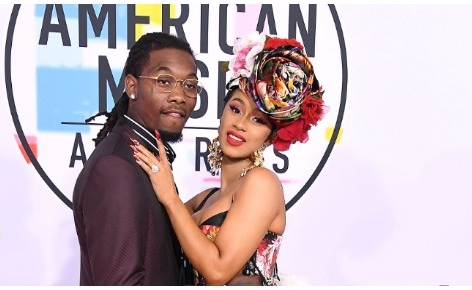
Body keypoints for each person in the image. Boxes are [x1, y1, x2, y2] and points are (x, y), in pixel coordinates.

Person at [131, 31, 327, 286]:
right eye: (235, 109)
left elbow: (218, 271)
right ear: (222, 111)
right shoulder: (207, 197)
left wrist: (170, 196)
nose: (241, 124)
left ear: (270, 136)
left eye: (258, 120)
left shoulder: (262, 183)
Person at [72, 31, 202, 285]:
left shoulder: (144, 157)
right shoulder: (115, 169)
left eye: (190, 85)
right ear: (132, 86)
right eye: (164, 81)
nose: (180, 96)